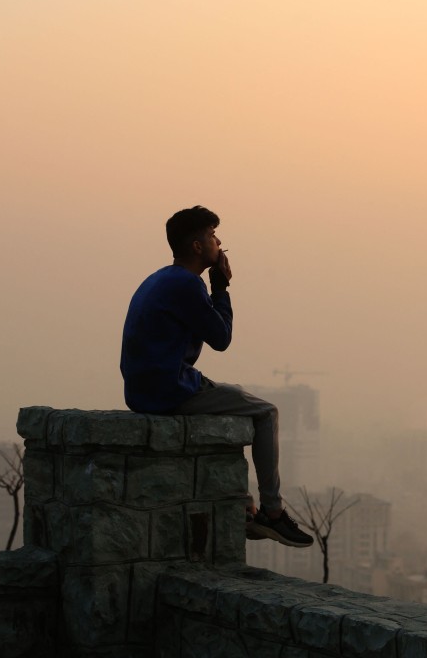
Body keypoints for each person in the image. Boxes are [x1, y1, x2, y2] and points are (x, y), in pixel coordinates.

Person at [120, 205, 313, 548]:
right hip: (169, 391)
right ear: (197, 246)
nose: (218, 241)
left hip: (143, 390)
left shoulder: (160, 278)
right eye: (212, 235)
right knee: (266, 412)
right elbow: (221, 339)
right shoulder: (186, 285)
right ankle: (272, 513)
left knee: (236, 398)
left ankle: (242, 504)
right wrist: (221, 288)